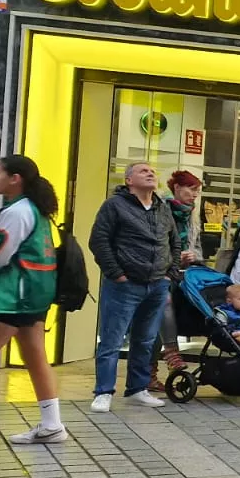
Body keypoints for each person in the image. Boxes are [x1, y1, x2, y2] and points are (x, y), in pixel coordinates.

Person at [88, 162, 179, 413]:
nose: (150, 173)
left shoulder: (163, 209)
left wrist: (170, 274)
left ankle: (138, 388)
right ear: (129, 181)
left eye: (152, 171)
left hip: (157, 285)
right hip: (124, 285)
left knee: (146, 339)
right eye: (143, 171)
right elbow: (98, 240)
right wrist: (116, 274)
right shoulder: (114, 206)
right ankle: (103, 392)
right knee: (111, 339)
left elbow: (174, 243)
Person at [0, 155, 66, 445]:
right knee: (36, 356)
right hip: (34, 293)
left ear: (15, 179)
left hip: (13, 295)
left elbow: (1, 254)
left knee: (35, 355)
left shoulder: (16, 211)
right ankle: (52, 424)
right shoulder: (36, 209)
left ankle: (53, 425)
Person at [151, 170, 204, 392]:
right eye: (191, 189)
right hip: (160, 274)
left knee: (162, 320)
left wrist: (194, 255)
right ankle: (166, 358)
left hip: (183, 277)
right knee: (156, 320)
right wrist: (174, 257)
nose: (194, 196)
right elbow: (154, 243)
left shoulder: (191, 214)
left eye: (197, 191)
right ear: (177, 187)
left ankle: (152, 374)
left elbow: (197, 246)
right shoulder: (160, 209)